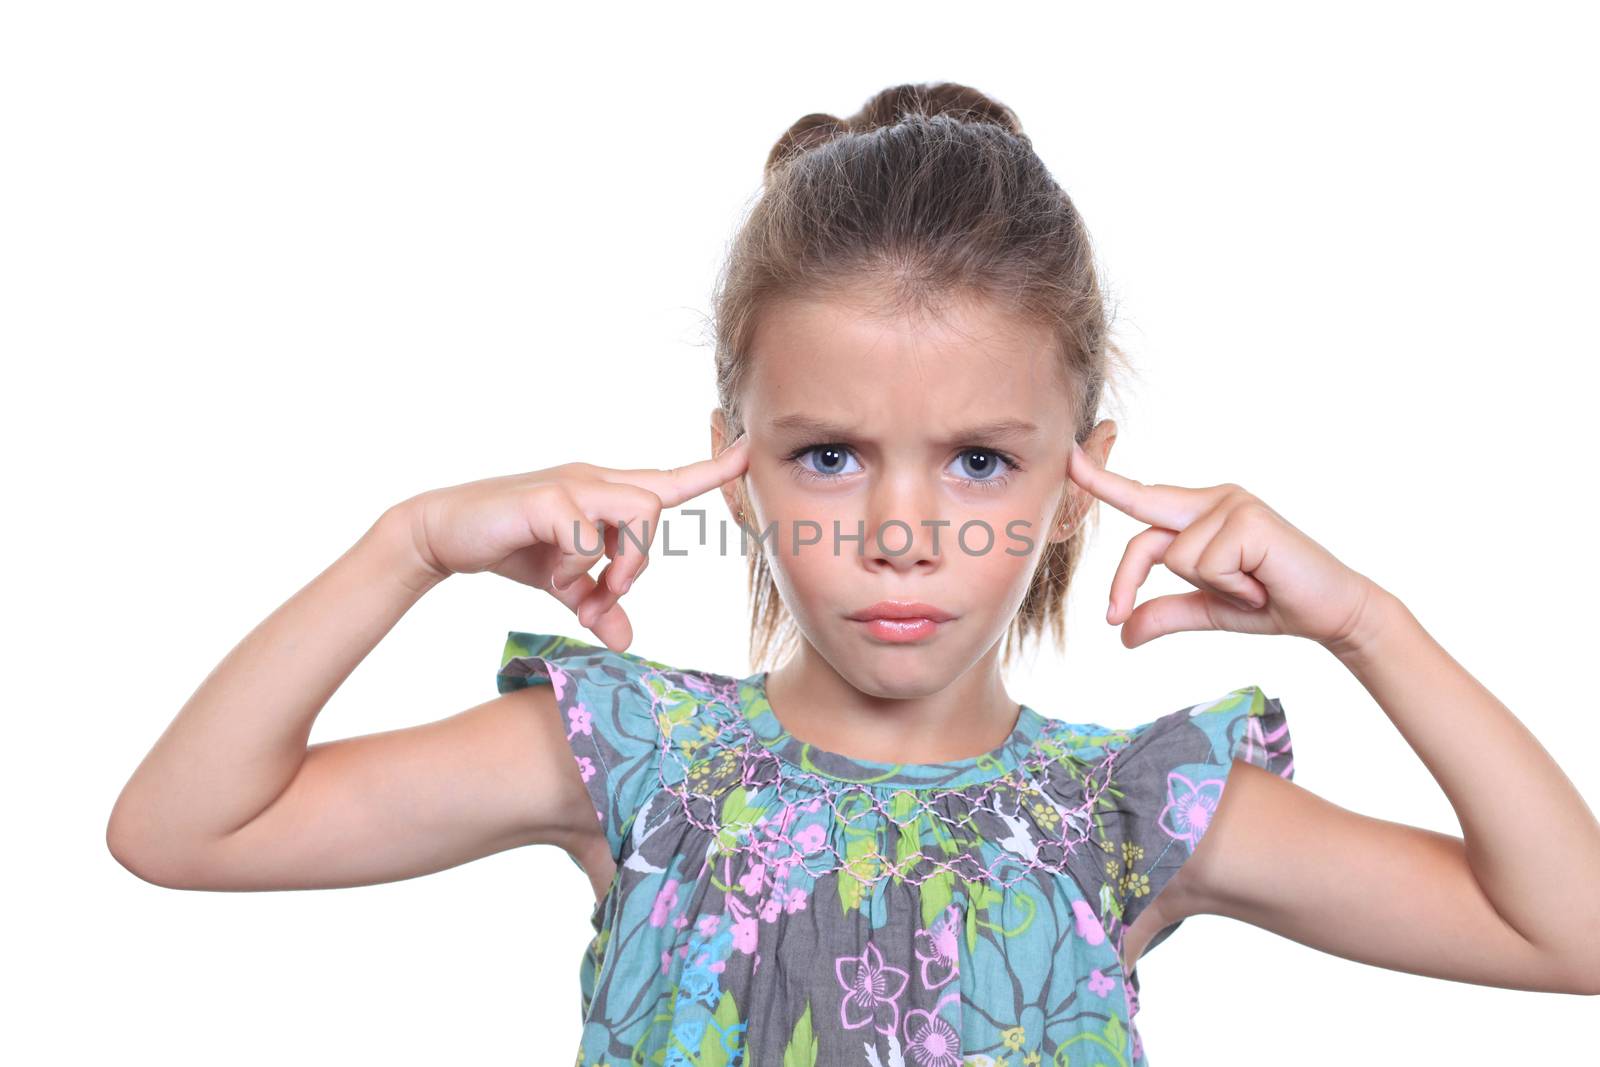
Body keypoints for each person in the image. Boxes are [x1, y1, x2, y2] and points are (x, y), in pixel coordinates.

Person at [105, 82, 1600, 1066]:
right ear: (733, 462)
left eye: (979, 461)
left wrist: (1367, 624)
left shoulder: (1133, 812)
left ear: (1081, 476)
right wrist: (410, 544)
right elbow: (182, 830)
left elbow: (1572, 938)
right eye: (827, 455)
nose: (903, 531)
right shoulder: (634, 765)